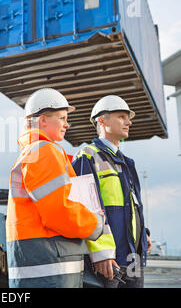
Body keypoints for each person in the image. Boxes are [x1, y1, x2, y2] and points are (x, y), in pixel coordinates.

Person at [6, 88, 105, 288]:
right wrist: (96, 224)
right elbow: (59, 211)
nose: (67, 124)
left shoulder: (33, 152)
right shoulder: (44, 151)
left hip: (43, 267)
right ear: (43, 120)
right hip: (51, 268)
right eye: (61, 118)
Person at [72, 95, 152, 288]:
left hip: (133, 256)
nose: (129, 122)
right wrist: (100, 254)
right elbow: (85, 208)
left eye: (128, 117)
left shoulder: (128, 163)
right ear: (102, 120)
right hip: (107, 260)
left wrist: (144, 234)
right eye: (122, 116)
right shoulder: (87, 156)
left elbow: (134, 206)